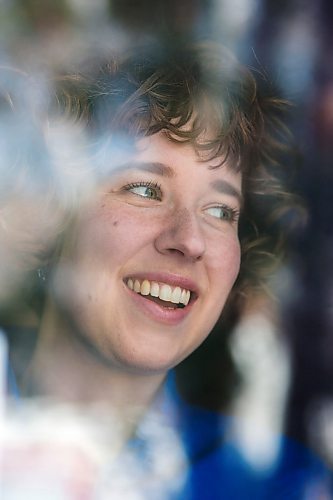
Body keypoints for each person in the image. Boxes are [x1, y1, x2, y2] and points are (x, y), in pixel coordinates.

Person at [1, 42, 331, 498]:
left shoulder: (278, 484)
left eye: (220, 211)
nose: (190, 240)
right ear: (55, 211)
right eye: (145, 189)